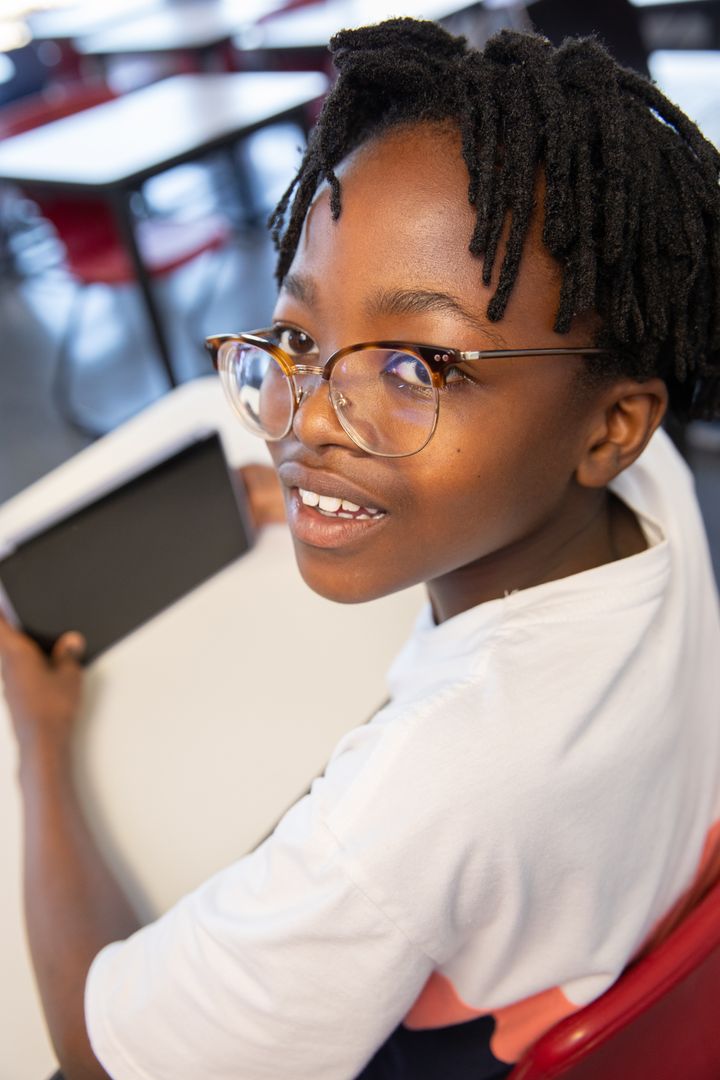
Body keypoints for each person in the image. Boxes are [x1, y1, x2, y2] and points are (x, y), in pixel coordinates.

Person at [1, 17, 720, 1080]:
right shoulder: (647, 486)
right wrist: (324, 484)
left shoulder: (402, 814)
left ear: (609, 426)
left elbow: (99, 1046)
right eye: (298, 341)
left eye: (418, 366)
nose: (307, 424)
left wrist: (43, 747)